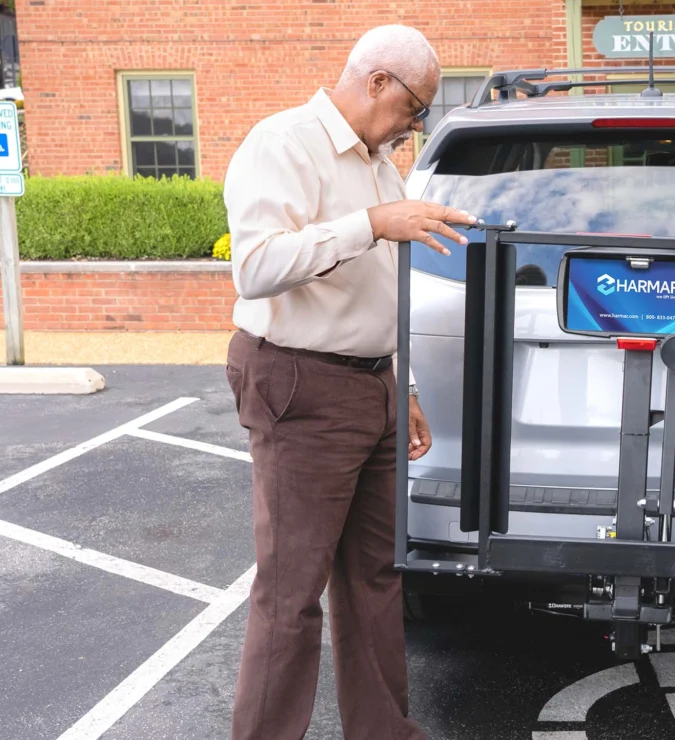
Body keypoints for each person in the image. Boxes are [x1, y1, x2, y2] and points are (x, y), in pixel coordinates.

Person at [221, 24, 474, 740]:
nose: (414, 124)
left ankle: (383, 732)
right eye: (414, 107)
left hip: (375, 386)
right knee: (291, 591)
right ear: (376, 83)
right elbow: (257, 267)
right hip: (301, 382)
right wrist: (369, 222)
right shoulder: (284, 145)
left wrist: (409, 384)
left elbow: (384, 286)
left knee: (376, 582)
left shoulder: (377, 162)